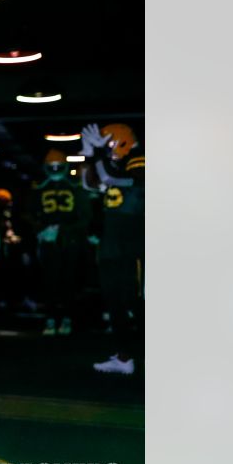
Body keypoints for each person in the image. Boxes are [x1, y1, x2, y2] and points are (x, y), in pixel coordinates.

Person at [80, 123, 144, 375]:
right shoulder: (115, 164)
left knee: (138, 303)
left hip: (134, 244)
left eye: (108, 145)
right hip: (113, 245)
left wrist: (97, 155)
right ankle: (124, 356)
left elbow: (112, 179)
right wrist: (88, 155)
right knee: (115, 302)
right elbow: (90, 184)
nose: (108, 151)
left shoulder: (140, 159)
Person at [33, 149, 92, 336]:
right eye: (52, 167)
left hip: (69, 240)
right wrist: (41, 230)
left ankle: (66, 317)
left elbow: (85, 216)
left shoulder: (75, 187)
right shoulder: (39, 188)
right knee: (49, 280)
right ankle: (51, 317)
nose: (56, 170)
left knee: (69, 280)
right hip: (49, 241)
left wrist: (65, 230)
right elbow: (28, 213)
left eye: (59, 166)